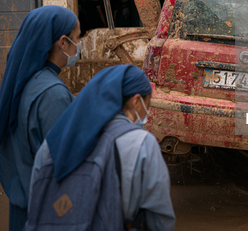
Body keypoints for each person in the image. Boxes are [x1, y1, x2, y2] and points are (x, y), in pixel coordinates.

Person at [26, 65, 175, 230]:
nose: (147, 110)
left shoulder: (56, 138)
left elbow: (36, 198)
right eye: (148, 103)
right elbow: (160, 219)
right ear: (136, 101)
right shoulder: (143, 143)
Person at [0, 5, 82, 231]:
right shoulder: (53, 95)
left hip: (24, 202)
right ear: (62, 43)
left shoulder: (25, 83)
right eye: (77, 38)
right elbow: (64, 166)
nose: (79, 45)